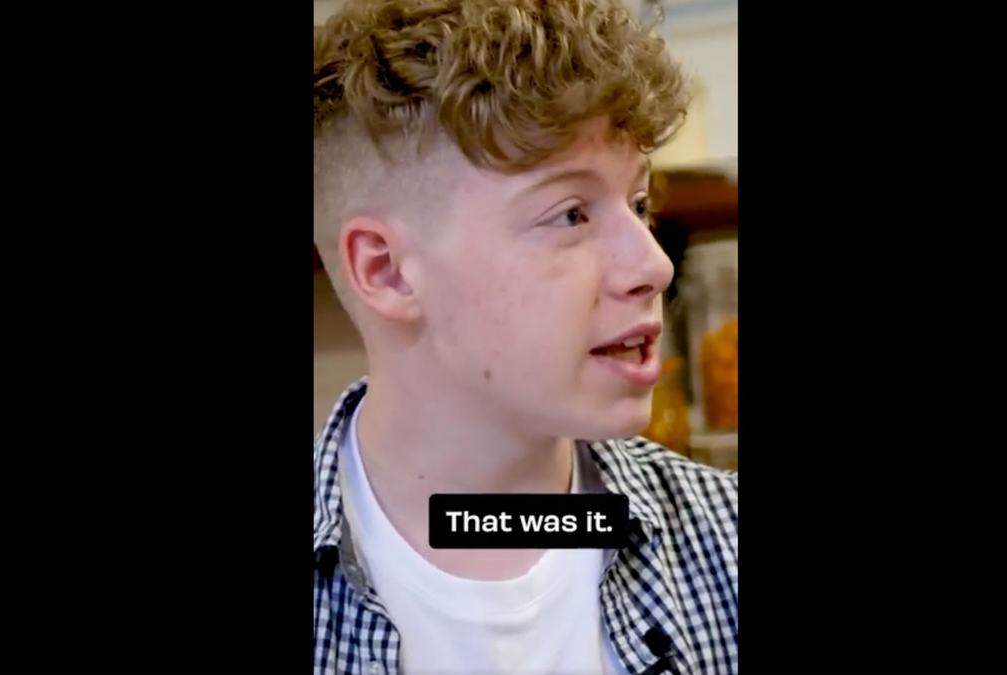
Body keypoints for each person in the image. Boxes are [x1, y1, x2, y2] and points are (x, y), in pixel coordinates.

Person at [312, 1, 737, 672]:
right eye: (570, 214)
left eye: (639, 205)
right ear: (386, 270)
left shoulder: (725, 548)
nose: (654, 265)